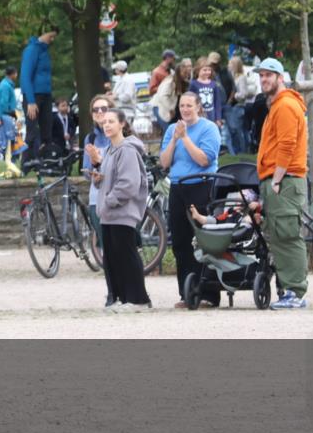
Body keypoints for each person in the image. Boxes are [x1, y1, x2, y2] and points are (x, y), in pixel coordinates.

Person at [254, 58, 309, 309]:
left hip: (284, 181)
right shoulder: (278, 104)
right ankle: (291, 292)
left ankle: (296, 293)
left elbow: (287, 145)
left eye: (269, 75)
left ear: (280, 78)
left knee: (287, 236)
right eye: (261, 75)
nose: (264, 79)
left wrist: (276, 180)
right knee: (280, 235)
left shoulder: (285, 105)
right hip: (279, 181)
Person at [160, 92, 222, 308]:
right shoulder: (172, 130)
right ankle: (187, 293)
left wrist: (185, 138)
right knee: (180, 242)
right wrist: (175, 138)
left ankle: (209, 293)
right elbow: (165, 162)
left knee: (203, 239)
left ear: (198, 107)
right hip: (178, 187)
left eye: (189, 105)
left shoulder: (208, 128)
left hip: (201, 185)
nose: (185, 109)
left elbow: (205, 159)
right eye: (182, 106)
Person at [92, 109, 151, 311]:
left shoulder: (127, 150)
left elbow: (129, 183)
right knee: (112, 258)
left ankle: (138, 299)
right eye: (104, 122)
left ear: (122, 124)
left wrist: (110, 200)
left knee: (126, 255)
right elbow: (111, 179)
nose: (106, 125)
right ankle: (121, 297)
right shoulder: (110, 150)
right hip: (109, 214)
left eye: (111, 121)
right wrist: (99, 178)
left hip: (122, 212)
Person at [82, 94, 115, 306]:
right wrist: (93, 171)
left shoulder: (120, 134)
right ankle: (112, 291)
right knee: (106, 249)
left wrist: (102, 165)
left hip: (119, 200)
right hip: (97, 198)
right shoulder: (90, 139)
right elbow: (86, 170)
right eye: (96, 110)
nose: (100, 113)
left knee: (121, 247)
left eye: (104, 109)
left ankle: (130, 291)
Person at [19, 27, 57, 166]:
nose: (52, 40)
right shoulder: (32, 50)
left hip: (46, 95)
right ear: (43, 33)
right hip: (34, 95)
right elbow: (25, 76)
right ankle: (26, 162)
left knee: (47, 129)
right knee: (32, 131)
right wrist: (30, 101)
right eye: (50, 36)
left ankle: (47, 161)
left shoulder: (44, 51)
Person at [150, 58, 192, 131]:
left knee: (176, 131)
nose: (186, 75)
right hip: (160, 106)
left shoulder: (183, 83)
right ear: (179, 73)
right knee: (169, 131)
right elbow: (162, 96)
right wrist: (170, 108)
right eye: (184, 73)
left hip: (172, 110)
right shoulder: (170, 82)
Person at [189, 57, 226, 128]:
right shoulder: (193, 84)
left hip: (211, 116)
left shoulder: (214, 84)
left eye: (209, 70)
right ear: (198, 70)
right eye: (204, 70)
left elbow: (217, 102)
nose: (207, 72)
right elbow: (190, 101)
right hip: (198, 116)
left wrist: (218, 118)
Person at [227, 56, 252, 155]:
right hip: (231, 107)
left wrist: (234, 95)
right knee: (232, 130)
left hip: (238, 106)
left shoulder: (241, 78)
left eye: (230, 64)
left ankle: (242, 151)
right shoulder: (231, 77)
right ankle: (235, 151)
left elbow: (244, 94)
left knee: (238, 130)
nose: (228, 66)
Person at [0, 66, 19, 156]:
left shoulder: (7, 84)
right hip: (5, 116)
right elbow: (4, 102)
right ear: (12, 74)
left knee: (7, 138)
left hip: (6, 115)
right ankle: (6, 158)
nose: (16, 75)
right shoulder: (5, 85)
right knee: (7, 139)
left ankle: (8, 157)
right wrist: (10, 112)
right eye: (16, 73)